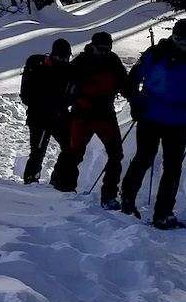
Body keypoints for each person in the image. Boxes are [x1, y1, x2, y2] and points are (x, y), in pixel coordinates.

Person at [119, 18, 186, 230]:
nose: (182, 43)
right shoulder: (156, 53)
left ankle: (163, 212)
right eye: (179, 38)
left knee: (173, 166)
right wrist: (135, 102)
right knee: (144, 158)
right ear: (173, 35)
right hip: (150, 115)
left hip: (178, 119)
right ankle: (127, 199)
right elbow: (132, 79)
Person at [50, 31, 129, 206]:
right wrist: (61, 108)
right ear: (92, 46)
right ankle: (66, 189)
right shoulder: (81, 62)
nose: (104, 52)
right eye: (100, 48)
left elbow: (124, 84)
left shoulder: (114, 62)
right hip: (82, 116)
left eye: (107, 48)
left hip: (105, 116)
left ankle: (109, 195)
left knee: (116, 155)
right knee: (74, 155)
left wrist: (136, 100)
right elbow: (65, 87)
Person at [18, 38, 73, 183]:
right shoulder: (37, 66)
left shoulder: (68, 70)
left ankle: (57, 179)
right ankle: (30, 179)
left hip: (59, 115)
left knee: (70, 146)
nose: (63, 60)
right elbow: (26, 95)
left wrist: (62, 106)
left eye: (67, 58)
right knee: (37, 151)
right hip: (39, 116)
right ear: (53, 55)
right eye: (60, 57)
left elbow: (72, 94)